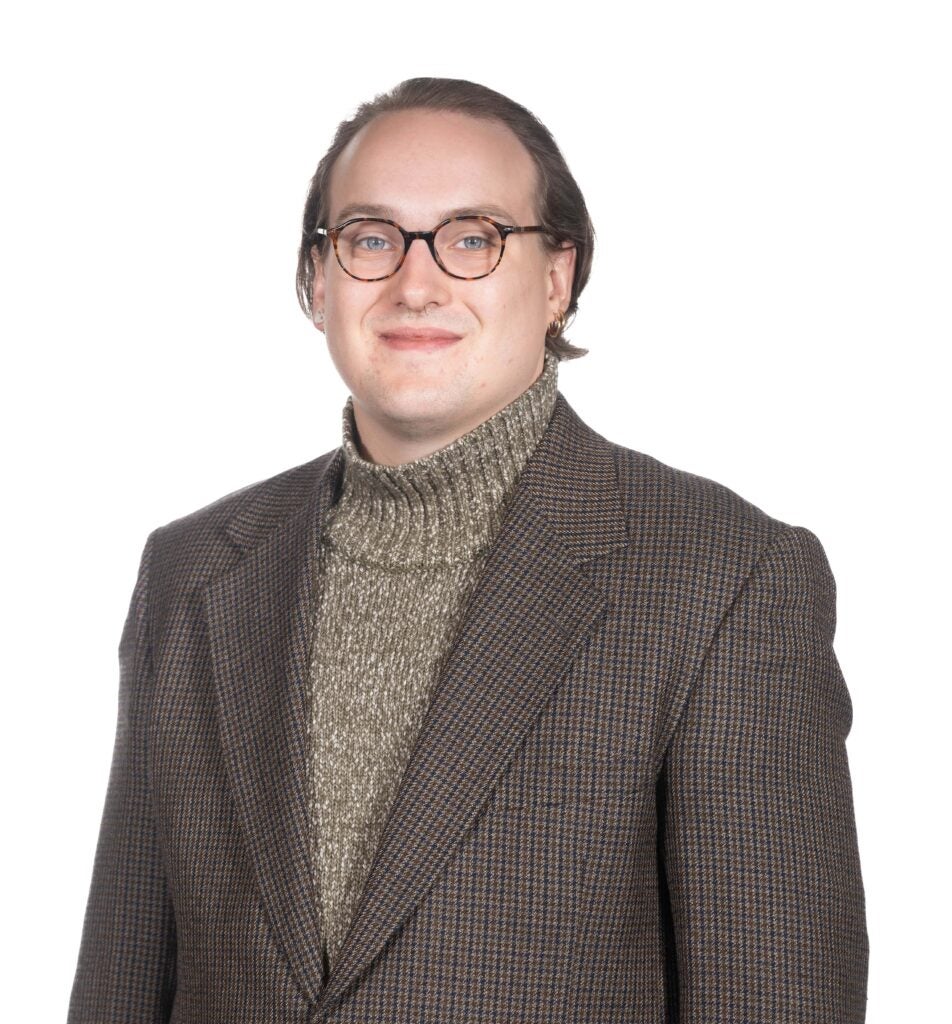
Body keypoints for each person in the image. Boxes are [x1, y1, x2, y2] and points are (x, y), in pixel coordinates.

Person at [67, 77, 869, 1024]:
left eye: (473, 238)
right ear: (318, 283)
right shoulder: (192, 574)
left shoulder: (724, 578)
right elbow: (119, 990)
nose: (417, 282)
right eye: (371, 238)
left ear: (558, 278)